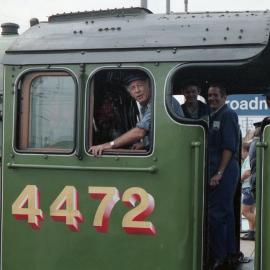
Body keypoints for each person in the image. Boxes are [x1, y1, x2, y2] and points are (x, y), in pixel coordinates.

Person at [207, 83, 240, 270]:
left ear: (224, 97)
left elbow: (228, 147)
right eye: (209, 95)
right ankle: (229, 253)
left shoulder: (227, 114)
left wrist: (219, 173)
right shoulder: (213, 115)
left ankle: (219, 257)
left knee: (217, 214)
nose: (212, 98)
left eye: (215, 95)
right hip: (219, 170)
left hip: (224, 170)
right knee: (225, 213)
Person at [90, 71, 151, 156]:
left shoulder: (157, 104)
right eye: (133, 88)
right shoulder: (145, 107)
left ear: (149, 86)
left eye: (140, 85)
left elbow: (140, 131)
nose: (137, 90)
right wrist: (146, 144)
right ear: (130, 92)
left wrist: (109, 145)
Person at [240, 141, 256, 241]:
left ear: (244, 150)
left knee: (244, 212)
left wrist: (239, 179)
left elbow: (248, 172)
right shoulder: (249, 159)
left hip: (248, 188)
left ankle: (260, 227)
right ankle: (251, 232)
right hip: (249, 188)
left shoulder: (248, 159)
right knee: (250, 211)